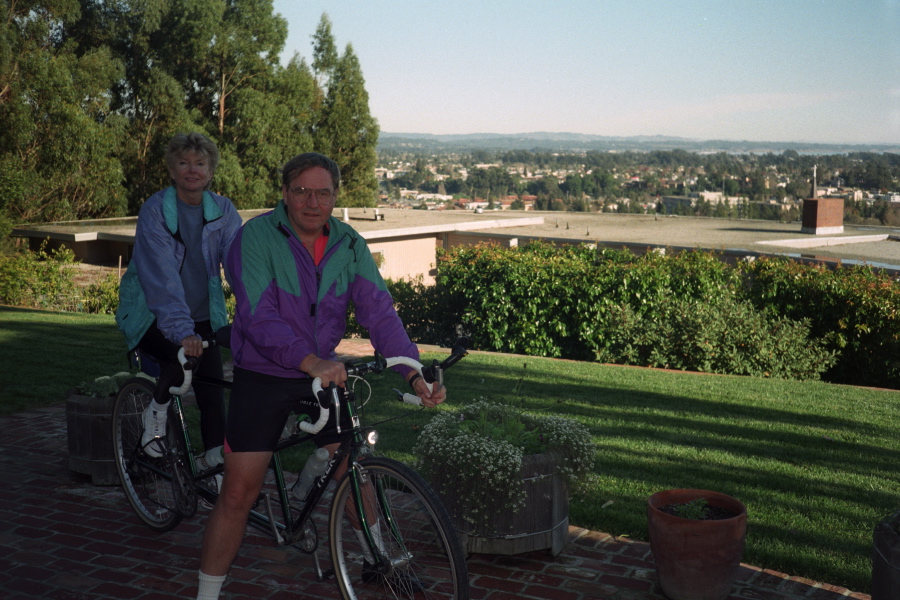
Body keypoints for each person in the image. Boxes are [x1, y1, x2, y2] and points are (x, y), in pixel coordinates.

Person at [194, 152, 444, 600]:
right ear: (285, 193)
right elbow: (258, 317)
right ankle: (207, 594)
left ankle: (379, 561)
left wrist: (412, 371)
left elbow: (380, 313)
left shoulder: (349, 244)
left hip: (322, 372)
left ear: (335, 196)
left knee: (355, 470)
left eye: (323, 193)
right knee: (237, 494)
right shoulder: (254, 238)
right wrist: (308, 361)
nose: (313, 202)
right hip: (265, 373)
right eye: (302, 191)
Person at [115, 132, 242, 470]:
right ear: (172, 170)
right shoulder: (156, 210)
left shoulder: (224, 211)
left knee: (213, 396)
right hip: (151, 314)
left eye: (200, 163)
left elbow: (241, 266)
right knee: (182, 357)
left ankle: (215, 469)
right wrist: (182, 331)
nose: (192, 170)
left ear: (210, 172)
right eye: (184, 163)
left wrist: (259, 313)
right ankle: (155, 415)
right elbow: (162, 277)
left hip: (203, 316)